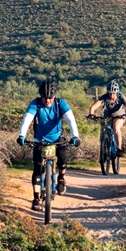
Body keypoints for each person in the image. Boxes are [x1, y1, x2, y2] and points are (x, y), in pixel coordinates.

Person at [16, 78, 80, 211]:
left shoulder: (60, 103)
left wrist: (75, 136)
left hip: (57, 139)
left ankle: (61, 178)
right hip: (40, 140)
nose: (47, 100)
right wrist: (22, 135)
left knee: (62, 158)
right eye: (45, 97)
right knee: (37, 167)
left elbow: (70, 119)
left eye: (50, 97)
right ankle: (36, 198)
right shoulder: (36, 104)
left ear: (54, 96)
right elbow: (27, 119)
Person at [88, 80, 126, 157]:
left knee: (116, 126)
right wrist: (91, 114)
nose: (111, 95)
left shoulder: (120, 96)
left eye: (113, 93)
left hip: (120, 116)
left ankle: (119, 149)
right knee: (103, 129)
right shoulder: (105, 96)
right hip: (107, 116)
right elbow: (94, 106)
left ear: (117, 92)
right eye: (110, 93)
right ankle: (104, 151)